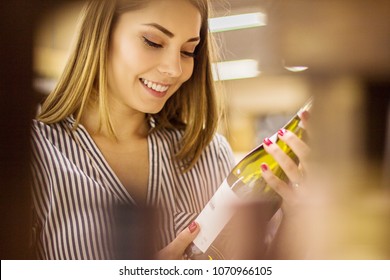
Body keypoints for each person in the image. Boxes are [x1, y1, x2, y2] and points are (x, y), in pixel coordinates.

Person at [31, 0, 310, 260]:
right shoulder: (34, 153)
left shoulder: (209, 153)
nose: (174, 69)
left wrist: (296, 221)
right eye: (153, 42)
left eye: (188, 51)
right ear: (102, 34)